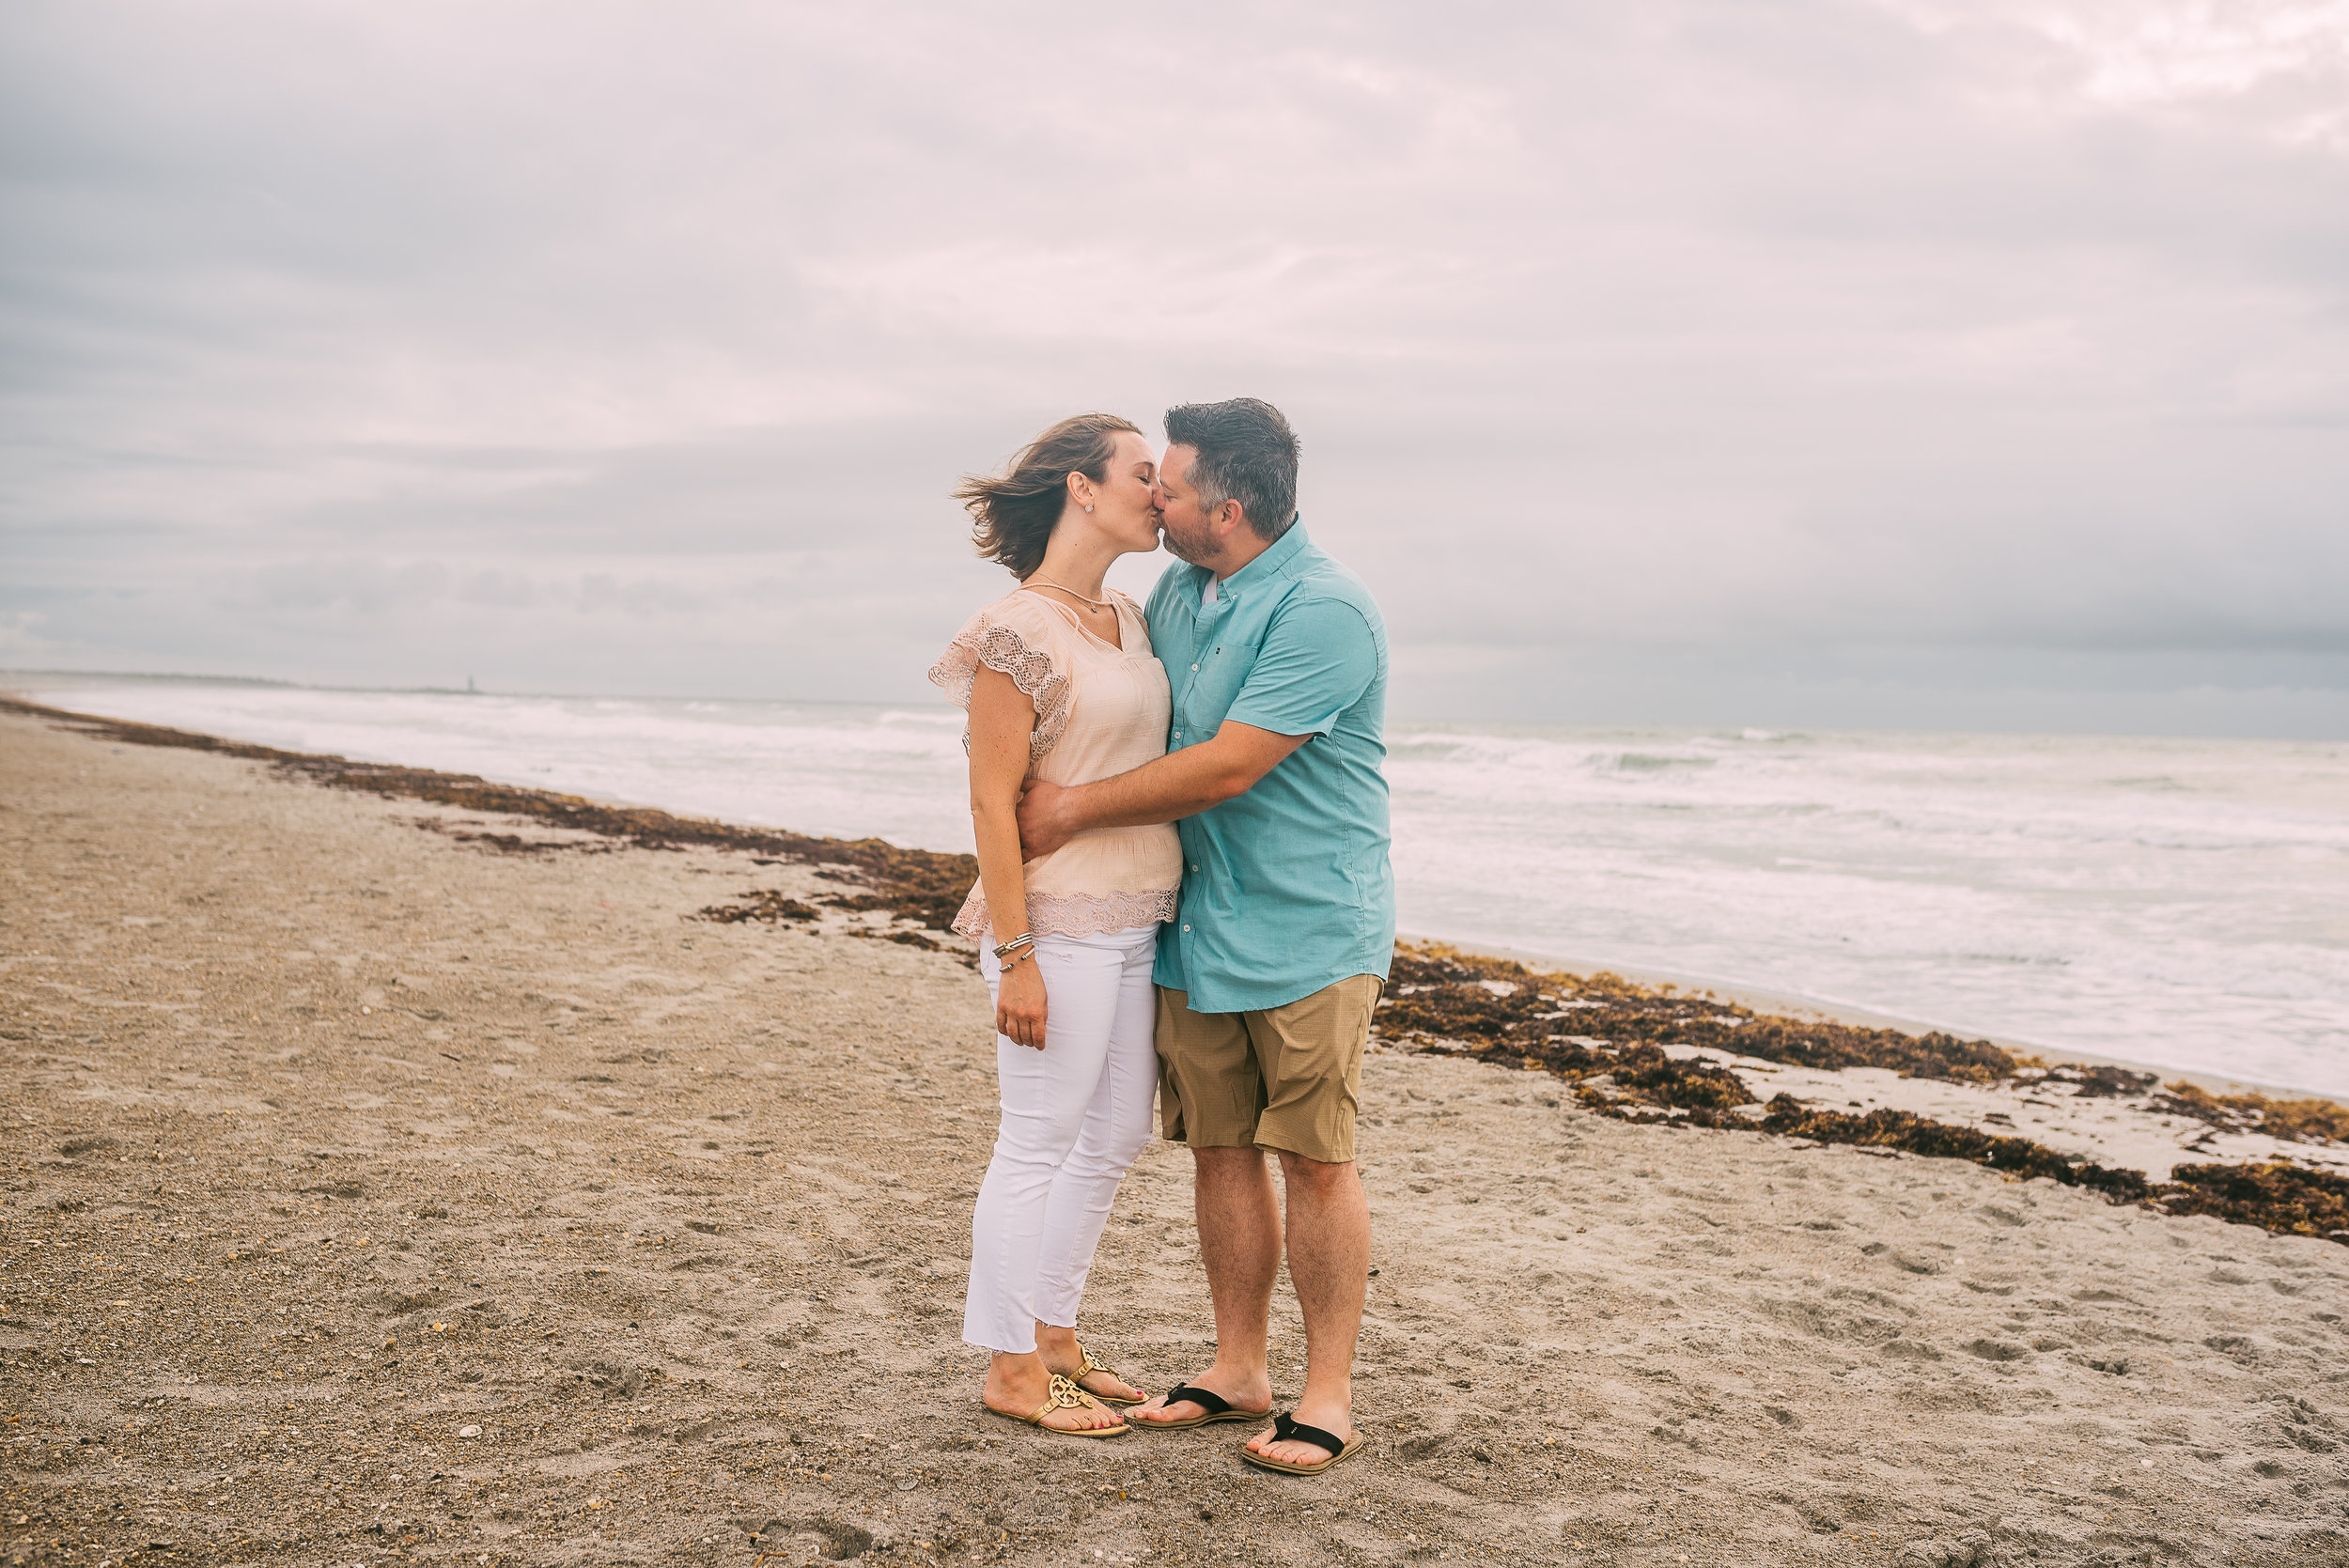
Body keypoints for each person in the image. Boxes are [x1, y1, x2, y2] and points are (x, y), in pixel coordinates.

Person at [1016, 397, 1392, 1476]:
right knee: (1220, 1151)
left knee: (1315, 1160)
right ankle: (1238, 1370)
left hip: (1312, 928)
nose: (1152, 498)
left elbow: (1229, 764)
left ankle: (1326, 1394)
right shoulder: (1179, 589)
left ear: (1224, 509)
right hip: (1199, 922)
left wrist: (1073, 809)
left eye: (1166, 488)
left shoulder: (1326, 609)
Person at [928, 412, 1181, 1438]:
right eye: (1141, 475)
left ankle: (1055, 1333)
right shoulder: (1013, 629)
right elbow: (992, 804)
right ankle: (1008, 1366)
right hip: (1057, 924)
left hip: (1136, 914)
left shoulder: (1129, 613)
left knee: (1116, 1132)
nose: (1157, 493)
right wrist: (1018, 954)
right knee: (1034, 1140)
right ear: (1081, 488)